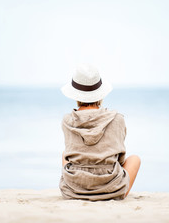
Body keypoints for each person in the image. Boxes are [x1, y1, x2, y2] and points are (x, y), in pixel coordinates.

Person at [59, 63, 141, 201]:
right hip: (112, 189)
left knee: (64, 155)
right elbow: (119, 159)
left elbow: (70, 156)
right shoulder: (117, 119)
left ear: (76, 95)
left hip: (73, 191)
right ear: (100, 93)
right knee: (135, 159)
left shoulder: (67, 121)